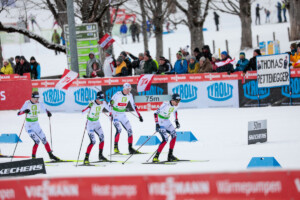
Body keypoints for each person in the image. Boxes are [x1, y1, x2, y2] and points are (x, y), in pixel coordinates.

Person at [17, 91, 60, 161]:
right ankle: (33, 158)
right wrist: (24, 111)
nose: (37, 100)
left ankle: (51, 155)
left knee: (44, 139)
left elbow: (45, 109)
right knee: (37, 141)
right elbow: (18, 113)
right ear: (32, 98)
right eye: (36, 98)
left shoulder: (39, 103)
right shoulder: (27, 103)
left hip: (36, 125)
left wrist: (48, 112)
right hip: (29, 126)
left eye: (38, 98)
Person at [111, 83, 143, 154]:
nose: (129, 91)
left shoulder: (130, 95)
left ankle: (130, 148)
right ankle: (115, 148)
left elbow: (133, 105)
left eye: (130, 89)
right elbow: (110, 104)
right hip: (115, 114)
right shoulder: (117, 94)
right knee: (119, 130)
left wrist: (139, 115)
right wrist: (111, 113)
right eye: (128, 89)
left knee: (130, 130)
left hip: (123, 115)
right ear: (124, 89)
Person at [82, 91, 111, 164]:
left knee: (102, 138)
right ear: (97, 99)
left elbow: (110, 109)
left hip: (97, 123)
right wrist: (88, 107)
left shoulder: (103, 103)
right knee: (93, 141)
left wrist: (111, 114)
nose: (102, 101)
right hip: (90, 124)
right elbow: (82, 112)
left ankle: (100, 155)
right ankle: (86, 158)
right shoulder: (92, 104)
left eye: (103, 99)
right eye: (100, 99)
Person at [152, 93, 181, 162]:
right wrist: (157, 124)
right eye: (177, 101)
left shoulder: (175, 105)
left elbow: (175, 111)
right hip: (160, 121)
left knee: (174, 135)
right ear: (172, 100)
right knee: (165, 139)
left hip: (167, 121)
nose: (177, 103)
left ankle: (170, 156)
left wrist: (176, 120)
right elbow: (155, 113)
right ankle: (156, 157)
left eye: (179, 101)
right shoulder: (165, 104)